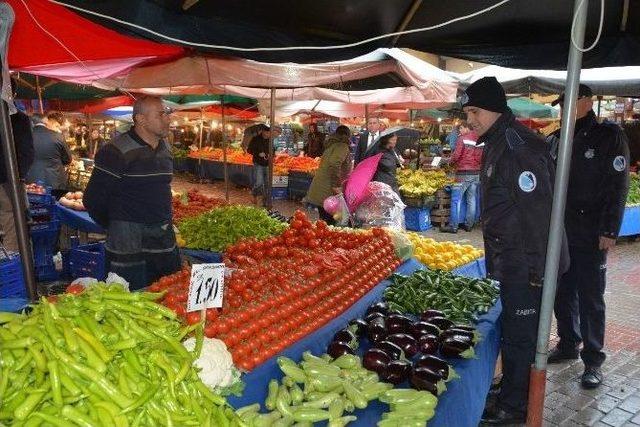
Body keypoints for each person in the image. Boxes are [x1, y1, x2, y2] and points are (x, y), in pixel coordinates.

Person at [460, 77, 567, 425]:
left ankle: (515, 407)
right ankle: (511, 390)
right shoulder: (496, 142)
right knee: (513, 331)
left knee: (522, 337)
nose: (469, 120)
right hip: (513, 261)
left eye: (474, 111)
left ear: (493, 107)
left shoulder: (518, 147)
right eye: (467, 112)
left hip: (528, 264)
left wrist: (539, 274)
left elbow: (539, 215)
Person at [547, 84, 630, 389]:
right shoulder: (556, 138)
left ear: (588, 101)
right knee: (562, 292)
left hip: (592, 231)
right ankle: (569, 343)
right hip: (560, 231)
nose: (563, 109)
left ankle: (593, 360)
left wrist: (610, 229)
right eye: (560, 103)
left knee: (591, 298)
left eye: (569, 102)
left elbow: (618, 185)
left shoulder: (608, 136)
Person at [83, 96, 180, 290]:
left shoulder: (165, 148)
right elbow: (93, 199)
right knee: (129, 293)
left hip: (161, 235)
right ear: (141, 119)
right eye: (161, 114)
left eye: (167, 113)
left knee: (166, 290)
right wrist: (118, 224)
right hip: (127, 240)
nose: (168, 119)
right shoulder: (115, 151)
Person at [0, 88, 34, 251]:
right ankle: (12, 272)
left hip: (8, 179)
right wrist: (17, 178)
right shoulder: (18, 119)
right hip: (8, 182)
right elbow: (27, 154)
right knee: (12, 225)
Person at [305, 125, 353, 224]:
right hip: (328, 189)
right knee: (331, 222)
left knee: (325, 221)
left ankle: (322, 238)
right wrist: (336, 185)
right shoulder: (342, 146)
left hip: (322, 188)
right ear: (348, 136)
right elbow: (334, 163)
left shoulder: (332, 145)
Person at [441, 122, 483, 233]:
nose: (460, 131)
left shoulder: (462, 138)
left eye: (461, 128)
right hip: (476, 173)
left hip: (463, 173)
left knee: (456, 199)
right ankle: (469, 225)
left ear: (466, 128)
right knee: (472, 199)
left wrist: (450, 162)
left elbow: (456, 155)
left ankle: (453, 226)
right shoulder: (480, 139)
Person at [26, 111, 72, 199]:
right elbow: (68, 159)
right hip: (56, 182)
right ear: (46, 122)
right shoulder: (58, 136)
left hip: (31, 182)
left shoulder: (25, 137)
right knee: (56, 207)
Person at [247, 125, 272, 206]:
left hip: (268, 164)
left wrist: (270, 154)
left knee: (267, 183)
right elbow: (249, 150)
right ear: (263, 132)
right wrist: (258, 153)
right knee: (259, 182)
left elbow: (273, 151)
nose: (268, 134)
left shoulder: (270, 140)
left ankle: (265, 202)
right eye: (267, 132)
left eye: (269, 133)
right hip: (258, 164)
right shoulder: (255, 139)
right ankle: (253, 193)